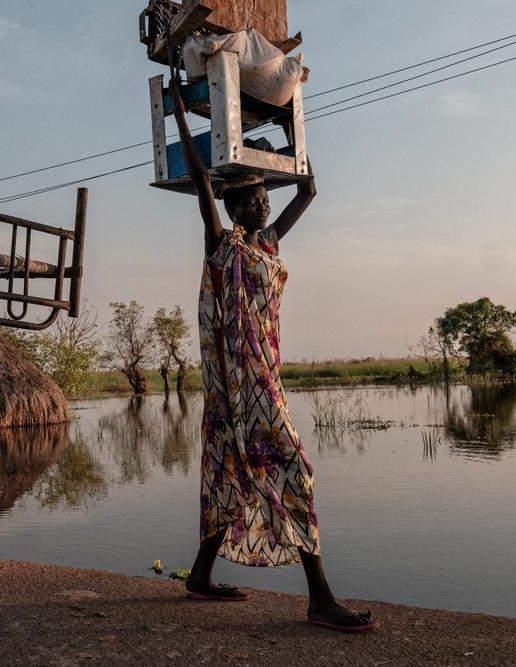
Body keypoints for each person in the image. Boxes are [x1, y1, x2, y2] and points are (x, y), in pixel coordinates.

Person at [177, 117, 378, 632]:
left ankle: (200, 575)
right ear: (230, 208)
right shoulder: (221, 247)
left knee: (228, 475)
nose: (261, 205)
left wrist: (294, 125)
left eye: (264, 197)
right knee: (297, 472)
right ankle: (320, 599)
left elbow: (307, 189)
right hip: (239, 389)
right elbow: (202, 181)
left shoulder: (267, 245)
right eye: (250, 200)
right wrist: (179, 108)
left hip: (265, 378)